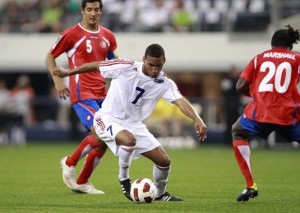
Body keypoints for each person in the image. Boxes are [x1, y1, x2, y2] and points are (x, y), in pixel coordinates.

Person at [53, 43, 208, 201]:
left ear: (164, 61)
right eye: (151, 65)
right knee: (128, 140)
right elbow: (97, 65)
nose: (155, 70)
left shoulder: (164, 83)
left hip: (134, 125)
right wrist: (68, 72)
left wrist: (198, 119)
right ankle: (124, 179)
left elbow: (180, 101)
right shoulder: (125, 67)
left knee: (164, 161)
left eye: (159, 66)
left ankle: (161, 194)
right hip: (107, 118)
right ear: (143, 60)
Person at [46, 0, 118, 194]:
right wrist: (58, 81)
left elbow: (114, 63)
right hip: (81, 92)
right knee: (100, 134)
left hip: (102, 93)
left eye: (96, 9)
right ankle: (69, 163)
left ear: (101, 12)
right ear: (82, 11)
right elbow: (50, 56)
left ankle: (82, 182)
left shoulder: (107, 36)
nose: (92, 13)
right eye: (89, 9)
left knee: (107, 139)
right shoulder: (71, 34)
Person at [232, 25, 300, 202]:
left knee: (238, 131)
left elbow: (240, 85)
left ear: (272, 44)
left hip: (260, 113)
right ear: (290, 46)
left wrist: (257, 96)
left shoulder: (259, 58)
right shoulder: (297, 58)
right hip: (288, 114)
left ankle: (250, 186)